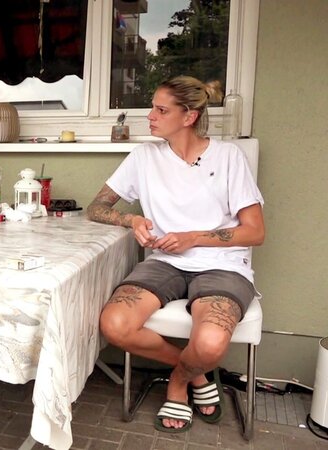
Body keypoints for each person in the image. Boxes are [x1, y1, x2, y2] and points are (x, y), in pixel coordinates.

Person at [86, 76, 265, 433]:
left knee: (210, 343)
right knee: (114, 325)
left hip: (222, 265)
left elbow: (255, 232)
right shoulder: (144, 157)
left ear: (189, 116)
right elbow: (96, 207)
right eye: (152, 108)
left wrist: (193, 237)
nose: (150, 116)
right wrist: (131, 219)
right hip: (164, 263)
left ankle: (179, 382)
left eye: (161, 110)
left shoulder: (229, 157)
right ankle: (196, 375)